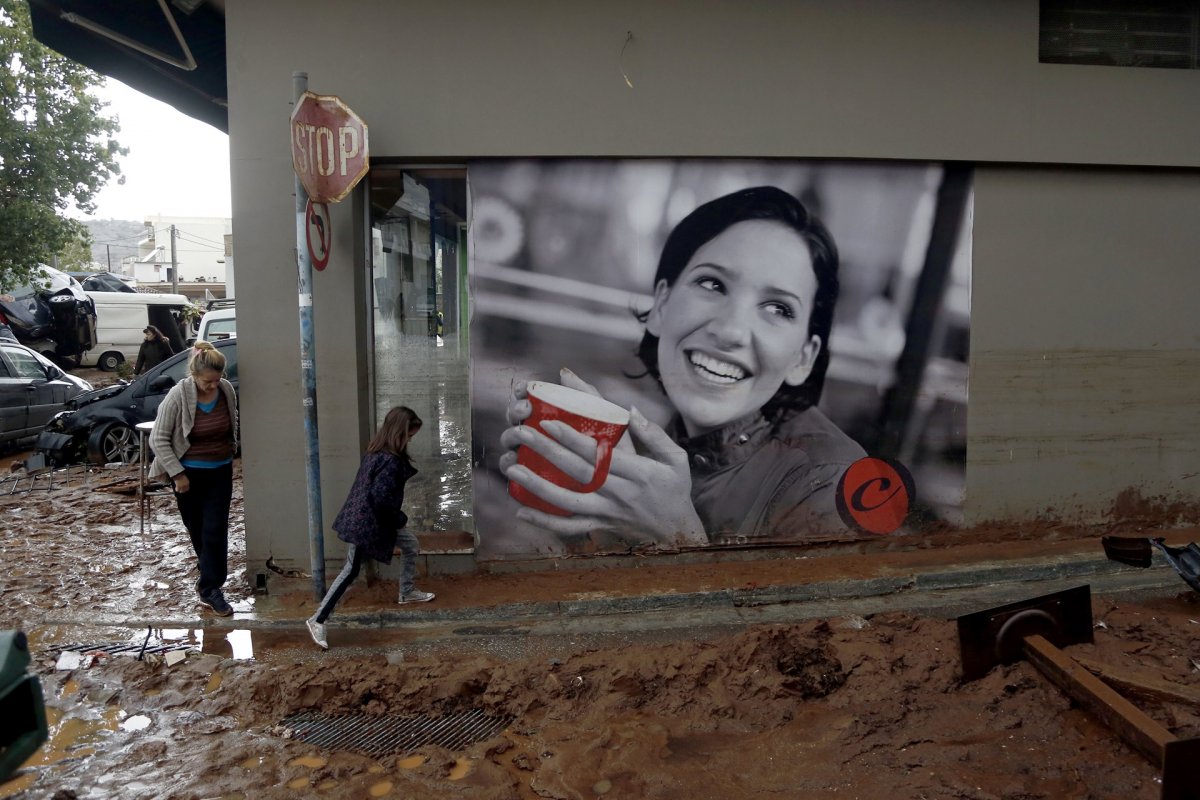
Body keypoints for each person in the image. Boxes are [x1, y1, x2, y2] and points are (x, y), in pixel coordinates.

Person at [500, 186, 865, 547]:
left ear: (803, 358)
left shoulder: (833, 484)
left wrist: (676, 536)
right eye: (712, 284)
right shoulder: (664, 441)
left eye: (777, 308)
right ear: (660, 306)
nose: (730, 331)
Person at [306, 406, 434, 650]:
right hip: (368, 523)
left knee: (411, 545)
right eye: (408, 435)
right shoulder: (390, 461)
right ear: (399, 433)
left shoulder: (376, 452)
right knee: (350, 570)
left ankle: (406, 592)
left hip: (368, 518)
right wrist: (399, 518)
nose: (409, 440)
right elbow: (381, 498)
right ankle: (317, 619)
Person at [149, 341, 238, 616]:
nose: (213, 386)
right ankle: (207, 567)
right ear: (194, 374)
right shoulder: (178, 395)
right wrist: (178, 474)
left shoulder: (226, 390)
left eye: (218, 379)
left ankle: (211, 588)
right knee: (197, 529)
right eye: (207, 381)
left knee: (215, 529)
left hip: (220, 470)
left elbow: (232, 423)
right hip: (187, 475)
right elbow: (158, 439)